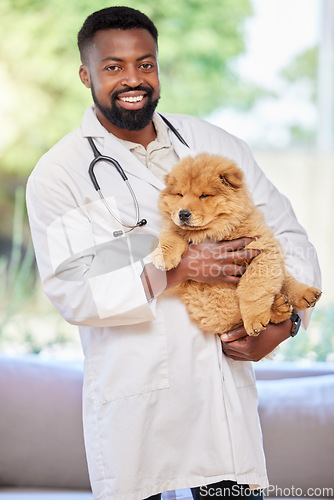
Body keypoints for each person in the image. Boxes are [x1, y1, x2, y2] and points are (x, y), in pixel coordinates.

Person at [26, 6, 321, 500]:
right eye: (113, 66)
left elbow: (289, 236)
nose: (132, 78)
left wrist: (282, 325)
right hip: (140, 410)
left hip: (222, 407)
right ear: (86, 74)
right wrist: (180, 270)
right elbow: (73, 291)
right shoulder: (61, 173)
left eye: (145, 63)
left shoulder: (212, 143)